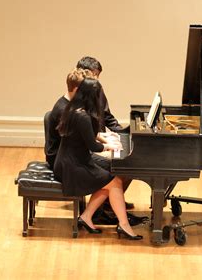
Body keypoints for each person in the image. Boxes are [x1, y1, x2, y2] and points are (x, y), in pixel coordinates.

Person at [54, 78, 142, 240]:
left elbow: (88, 135)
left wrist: (107, 139)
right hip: (73, 166)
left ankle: (87, 217)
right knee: (114, 182)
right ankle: (124, 225)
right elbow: (93, 146)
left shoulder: (75, 109)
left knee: (107, 183)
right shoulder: (82, 116)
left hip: (71, 160)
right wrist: (111, 146)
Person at [75, 56, 134, 209]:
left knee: (131, 164)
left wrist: (123, 132)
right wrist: (104, 145)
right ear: (84, 73)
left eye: (98, 75)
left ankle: (112, 199)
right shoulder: (77, 96)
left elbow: (107, 115)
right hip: (87, 148)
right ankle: (108, 203)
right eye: (95, 74)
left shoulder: (97, 89)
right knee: (126, 165)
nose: (97, 79)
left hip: (99, 141)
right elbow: (83, 133)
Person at [45, 68, 95, 169]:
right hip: (62, 161)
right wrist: (106, 146)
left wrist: (103, 138)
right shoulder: (66, 111)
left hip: (69, 155)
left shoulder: (69, 104)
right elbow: (86, 142)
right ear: (77, 90)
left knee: (115, 167)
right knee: (113, 173)